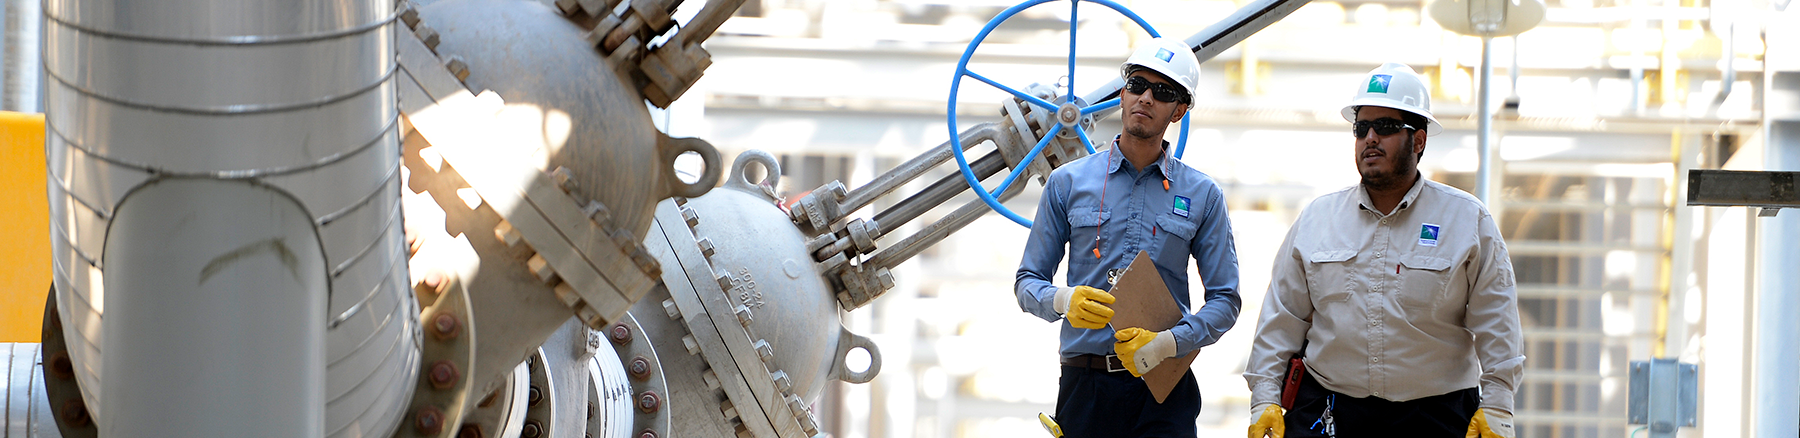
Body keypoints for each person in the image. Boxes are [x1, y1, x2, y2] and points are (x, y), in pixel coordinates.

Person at [1241, 62, 1524, 438]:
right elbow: (1282, 319)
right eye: (1361, 128)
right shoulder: (1317, 220)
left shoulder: (1467, 221)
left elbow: (1497, 319)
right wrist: (1264, 398)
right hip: (1329, 410)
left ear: (1419, 140)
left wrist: (1498, 405)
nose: (1370, 137)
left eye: (1386, 127)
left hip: (1435, 417)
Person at [1015, 37, 1241, 438]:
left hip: (1162, 390)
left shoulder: (1203, 195)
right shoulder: (1067, 183)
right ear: (1122, 93)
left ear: (1180, 110)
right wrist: (1064, 300)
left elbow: (1225, 301)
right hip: (1087, 387)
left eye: (1164, 92)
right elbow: (1027, 282)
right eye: (1137, 85)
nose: (1146, 98)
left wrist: (1168, 344)